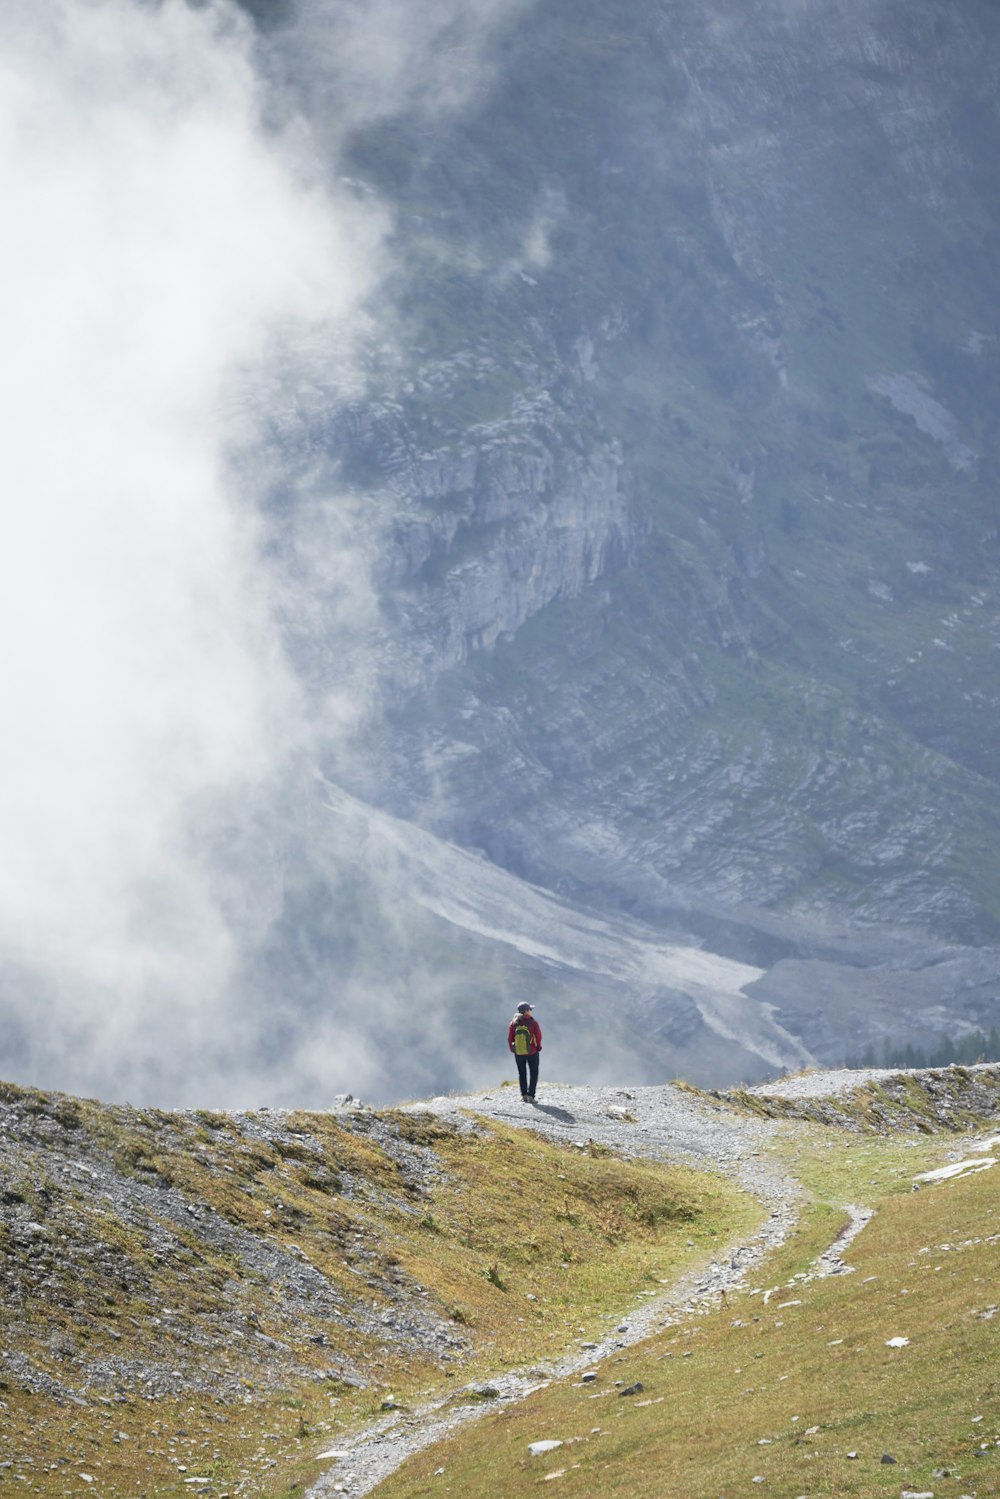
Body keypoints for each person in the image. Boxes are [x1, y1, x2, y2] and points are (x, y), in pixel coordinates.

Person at [508, 1001, 542, 1101]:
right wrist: (538, 1047)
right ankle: (531, 1096)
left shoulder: (513, 1023)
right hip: (532, 1052)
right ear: (526, 1011)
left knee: (522, 1074)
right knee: (534, 1073)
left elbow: (510, 1038)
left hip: (518, 1053)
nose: (531, 1011)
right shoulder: (533, 1023)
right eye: (530, 1009)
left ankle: (524, 1095)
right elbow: (538, 1037)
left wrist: (512, 1049)